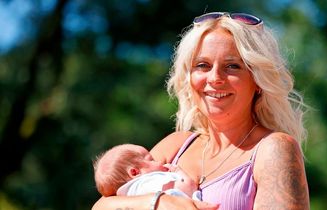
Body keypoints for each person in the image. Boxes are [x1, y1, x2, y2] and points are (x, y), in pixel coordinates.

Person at [93, 11, 310, 210]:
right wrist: (162, 203)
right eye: (202, 65)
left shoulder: (274, 148)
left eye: (232, 66)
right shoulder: (177, 145)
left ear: (258, 81)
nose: (215, 78)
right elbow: (101, 206)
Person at [93, 144, 201, 200]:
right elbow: (187, 188)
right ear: (135, 172)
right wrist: (178, 171)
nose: (159, 161)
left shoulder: (128, 198)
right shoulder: (149, 182)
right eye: (151, 160)